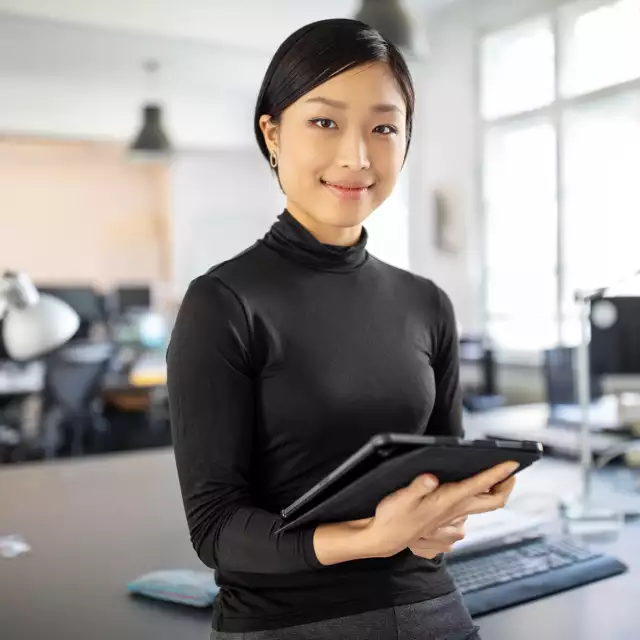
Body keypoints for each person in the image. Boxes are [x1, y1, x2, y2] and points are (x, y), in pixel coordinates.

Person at [167, 18, 517, 640]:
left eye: (384, 127)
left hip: (432, 610)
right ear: (272, 132)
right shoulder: (222, 303)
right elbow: (217, 529)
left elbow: (438, 492)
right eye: (325, 121)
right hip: (286, 622)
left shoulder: (428, 304)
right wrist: (368, 538)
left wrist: (448, 518)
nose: (357, 156)